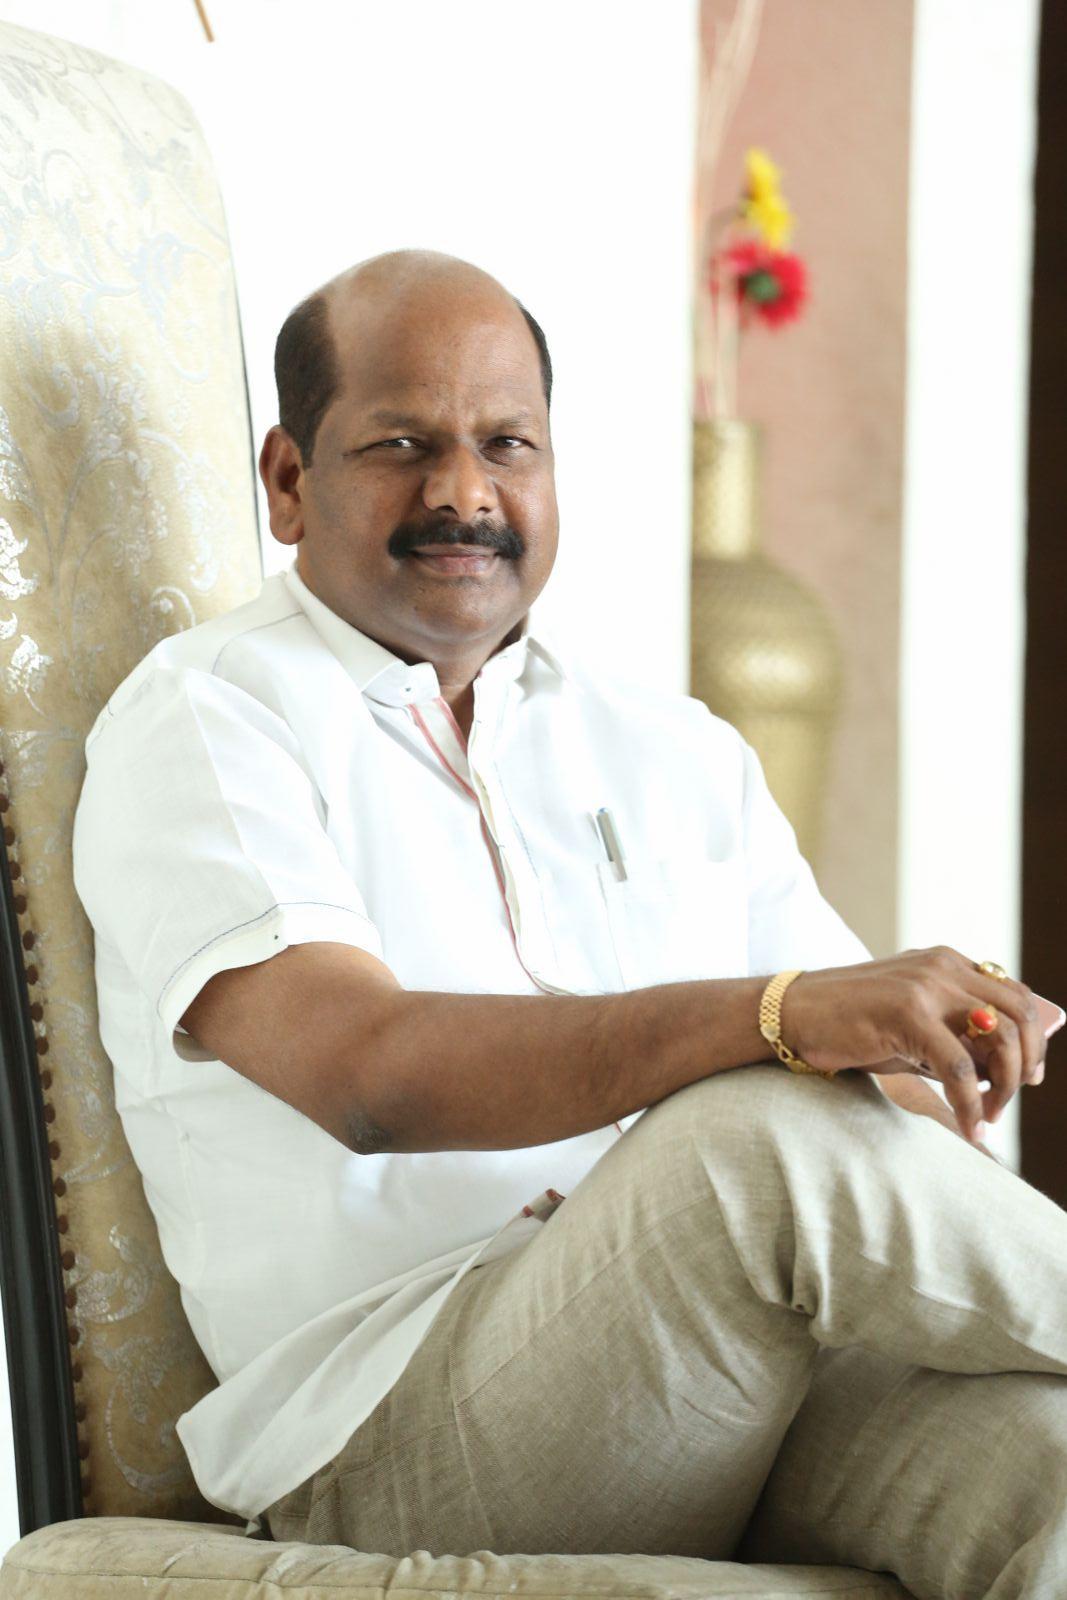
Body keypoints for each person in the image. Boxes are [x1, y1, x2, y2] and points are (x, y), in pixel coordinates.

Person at [71, 250, 1066, 1599]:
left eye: (507, 445)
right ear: (291, 481)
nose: (463, 493)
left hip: (726, 1376)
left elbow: (872, 1088)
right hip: (393, 1425)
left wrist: (924, 1043)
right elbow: (365, 1076)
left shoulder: (672, 747)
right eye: (403, 445)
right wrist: (778, 1020)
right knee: (747, 1135)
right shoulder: (206, 717)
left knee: (1049, 1459)